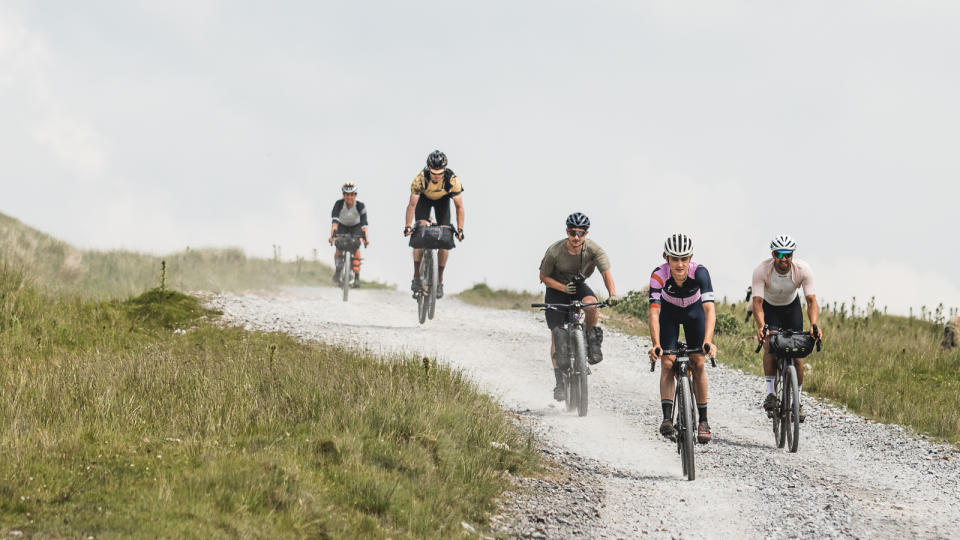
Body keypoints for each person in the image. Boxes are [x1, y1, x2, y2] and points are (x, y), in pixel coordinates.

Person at [538, 212, 619, 401]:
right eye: (572, 232)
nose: (576, 237)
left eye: (580, 233)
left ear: (586, 234)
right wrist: (562, 287)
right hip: (557, 288)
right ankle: (559, 383)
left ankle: (590, 342)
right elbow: (543, 277)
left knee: (591, 306)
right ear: (567, 231)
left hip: (578, 286)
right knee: (557, 334)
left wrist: (612, 294)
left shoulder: (594, 250)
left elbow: (606, 273)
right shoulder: (554, 251)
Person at [647, 233, 716, 444]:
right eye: (674, 258)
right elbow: (654, 313)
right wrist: (656, 344)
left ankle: (703, 421)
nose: (679, 264)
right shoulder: (658, 275)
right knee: (667, 362)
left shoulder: (701, 273)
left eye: (684, 258)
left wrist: (708, 341)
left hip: (695, 312)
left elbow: (709, 310)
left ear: (690, 258)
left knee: (698, 362)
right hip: (669, 313)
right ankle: (667, 418)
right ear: (666, 257)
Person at [751, 234, 822, 422]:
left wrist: (814, 324)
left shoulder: (803, 270)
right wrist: (761, 326)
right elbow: (757, 302)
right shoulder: (761, 270)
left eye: (788, 254)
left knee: (797, 356)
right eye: (780, 254)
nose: (784, 258)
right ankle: (771, 393)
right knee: (770, 346)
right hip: (770, 308)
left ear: (792, 254)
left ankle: (797, 401)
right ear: (773, 254)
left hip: (792, 309)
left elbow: (810, 300)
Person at [403, 150, 465, 298]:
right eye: (433, 172)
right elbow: (411, 205)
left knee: (445, 239)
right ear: (428, 169)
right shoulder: (420, 179)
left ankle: (439, 280)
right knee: (419, 235)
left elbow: (459, 207)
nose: (436, 176)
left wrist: (460, 229)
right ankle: (417, 277)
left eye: (440, 172)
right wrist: (408, 226)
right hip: (423, 200)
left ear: (445, 170)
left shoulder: (452, 180)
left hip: (443, 202)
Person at [328, 182, 369, 287]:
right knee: (339, 246)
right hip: (342, 226)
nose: (349, 197)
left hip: (356, 227)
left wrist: (366, 239)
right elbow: (334, 224)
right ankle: (337, 271)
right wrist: (332, 236)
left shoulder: (360, 206)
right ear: (343, 195)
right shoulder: (338, 204)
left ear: (355, 195)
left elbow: (364, 225)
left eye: (351, 195)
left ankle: (357, 277)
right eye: (346, 194)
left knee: (356, 246)